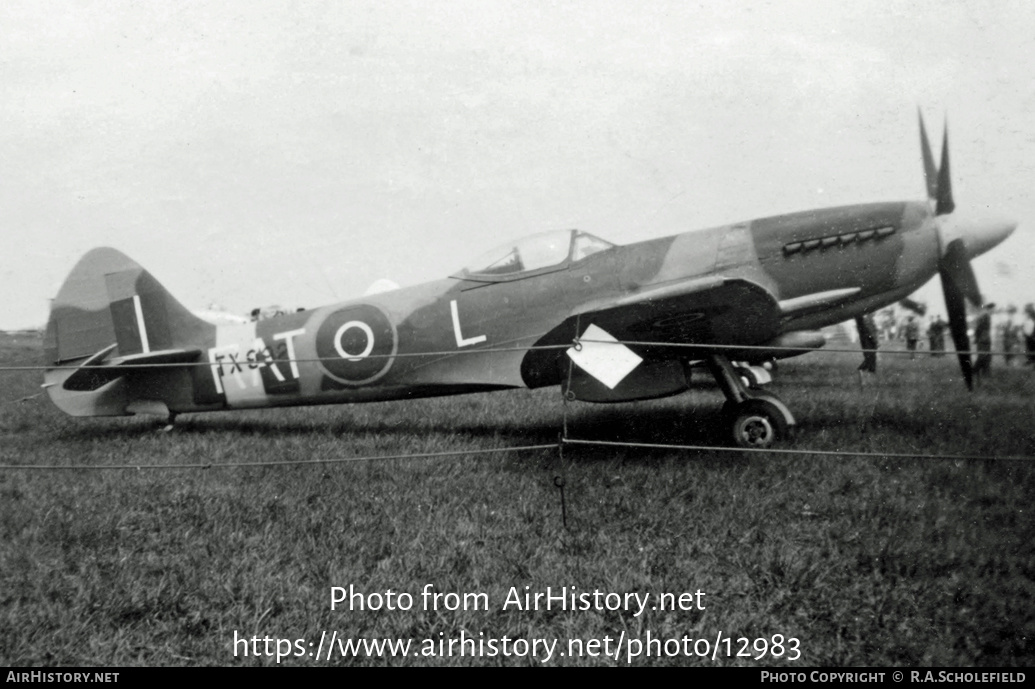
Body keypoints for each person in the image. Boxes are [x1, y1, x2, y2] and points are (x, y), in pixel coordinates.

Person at [973, 302, 994, 381]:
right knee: (983, 357)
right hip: (983, 339)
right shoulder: (985, 316)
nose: (993, 311)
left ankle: (985, 374)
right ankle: (974, 371)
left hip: (985, 339)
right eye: (993, 309)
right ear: (990, 309)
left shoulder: (986, 316)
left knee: (987, 357)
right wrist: (977, 338)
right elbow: (978, 328)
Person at [855, 313, 878, 384]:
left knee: (871, 358)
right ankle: (862, 371)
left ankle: (870, 375)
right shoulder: (868, 320)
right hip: (868, 341)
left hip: (868, 341)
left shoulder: (867, 320)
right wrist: (875, 341)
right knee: (870, 358)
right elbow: (871, 332)